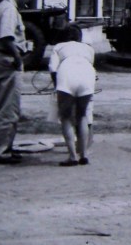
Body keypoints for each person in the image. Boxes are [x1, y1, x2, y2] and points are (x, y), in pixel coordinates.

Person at [0, 0, 34, 164]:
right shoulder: (9, 10)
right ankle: (1, 151)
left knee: (0, 106)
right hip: (7, 60)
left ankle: (5, 146)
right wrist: (17, 57)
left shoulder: (1, 7)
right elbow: (6, 36)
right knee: (9, 107)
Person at [49, 26, 96, 166]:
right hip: (87, 74)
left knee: (66, 117)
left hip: (66, 73)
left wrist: (57, 85)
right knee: (82, 115)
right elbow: (91, 63)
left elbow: (52, 68)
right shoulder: (88, 48)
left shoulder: (58, 47)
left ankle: (72, 156)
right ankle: (84, 154)